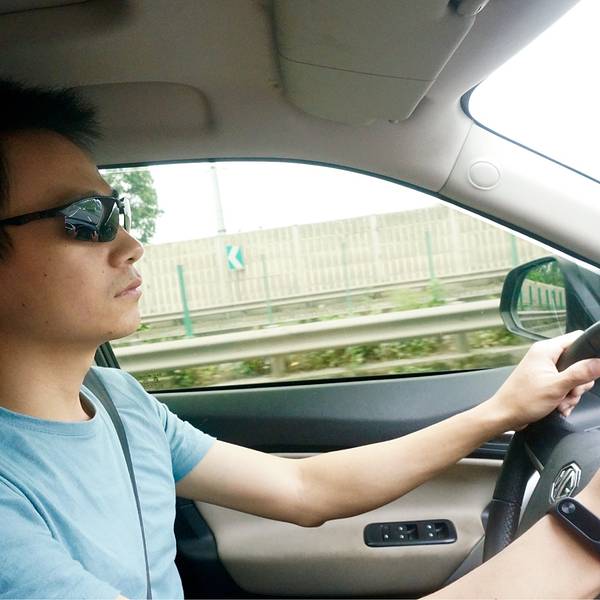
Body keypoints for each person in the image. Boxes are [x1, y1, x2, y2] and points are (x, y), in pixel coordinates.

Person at [1, 78, 600, 600]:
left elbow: (303, 488)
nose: (132, 245)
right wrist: (584, 535)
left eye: (119, 211)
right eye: (86, 218)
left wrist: (501, 411)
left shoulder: (116, 400)